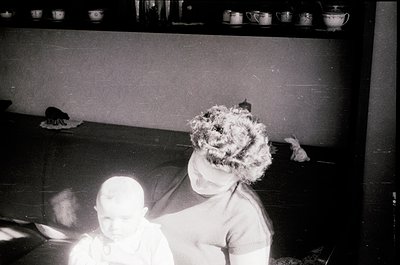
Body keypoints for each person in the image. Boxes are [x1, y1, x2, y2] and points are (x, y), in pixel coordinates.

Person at [145, 105, 274, 265]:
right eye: (197, 170)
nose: (199, 184)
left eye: (214, 184)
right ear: (193, 150)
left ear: (238, 178)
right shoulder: (162, 178)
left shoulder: (246, 215)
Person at [69, 176, 174, 265]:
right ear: (98, 212)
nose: (115, 226)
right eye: (107, 218)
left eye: (125, 219)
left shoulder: (151, 237)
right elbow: (77, 255)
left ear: (141, 214)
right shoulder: (95, 238)